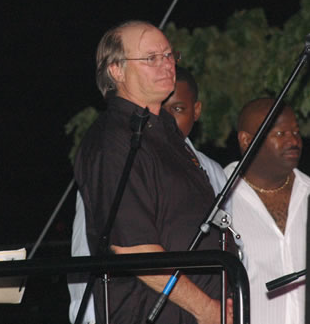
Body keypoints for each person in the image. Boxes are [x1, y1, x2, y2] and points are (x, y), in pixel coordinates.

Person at [73, 21, 231, 324]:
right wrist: (206, 308)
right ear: (116, 70)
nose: (167, 64)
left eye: (169, 55)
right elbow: (133, 247)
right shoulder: (114, 139)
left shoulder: (166, 132)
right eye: (151, 58)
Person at [223, 98, 310, 324]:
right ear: (246, 140)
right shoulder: (218, 197)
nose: (293, 140)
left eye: (296, 132)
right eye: (280, 134)